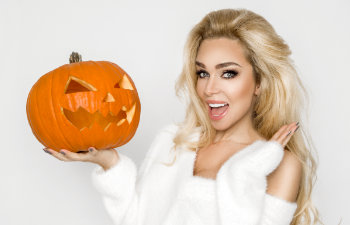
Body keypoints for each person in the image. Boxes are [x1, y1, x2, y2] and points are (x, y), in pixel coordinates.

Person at [43, 8, 322, 225]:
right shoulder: (175, 142)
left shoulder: (280, 164)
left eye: (228, 73)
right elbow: (137, 219)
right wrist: (109, 162)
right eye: (202, 73)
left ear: (259, 82)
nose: (209, 89)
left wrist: (242, 173)